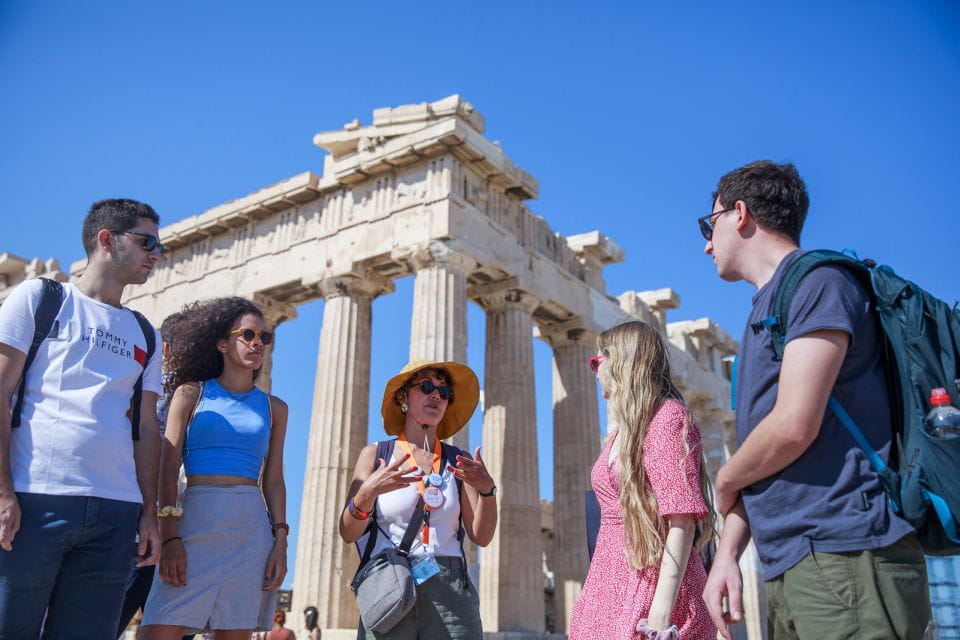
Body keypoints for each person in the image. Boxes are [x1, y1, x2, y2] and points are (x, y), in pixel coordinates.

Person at [700, 160, 931, 639]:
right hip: (792, 559)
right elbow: (762, 458)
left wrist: (723, 479)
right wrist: (726, 555)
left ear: (739, 214)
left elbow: (792, 426)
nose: (706, 243)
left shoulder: (818, 283)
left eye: (710, 223)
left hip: (847, 550)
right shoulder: (764, 311)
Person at [0, 198, 164, 638]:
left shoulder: (147, 333)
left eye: (159, 244)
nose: (156, 253)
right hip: (36, 498)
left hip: (115, 509)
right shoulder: (41, 298)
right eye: (146, 241)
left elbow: (147, 430)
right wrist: (2, 492)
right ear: (106, 240)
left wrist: (150, 514)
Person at [140, 297, 289, 639]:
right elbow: (168, 468)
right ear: (222, 344)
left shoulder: (276, 408)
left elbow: (275, 479)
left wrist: (280, 540)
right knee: (159, 628)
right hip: (195, 517)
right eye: (248, 334)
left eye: (264, 338)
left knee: (234, 630)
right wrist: (170, 535)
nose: (257, 343)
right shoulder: (190, 393)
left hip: (251, 527)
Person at [568, 321, 717, 640]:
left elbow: (683, 519)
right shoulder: (620, 433)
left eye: (598, 362)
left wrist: (660, 617)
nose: (594, 373)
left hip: (653, 587)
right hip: (607, 584)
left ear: (622, 362)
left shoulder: (668, 418)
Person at [339, 360, 497, 639]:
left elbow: (481, 537)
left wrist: (487, 491)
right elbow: (348, 531)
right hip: (392, 582)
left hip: (450, 588)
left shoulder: (458, 460)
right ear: (403, 397)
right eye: (426, 387)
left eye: (444, 392)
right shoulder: (376, 454)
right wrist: (367, 494)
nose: (436, 396)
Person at [117, 310, 192, 639]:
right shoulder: (147, 391)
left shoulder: (195, 394)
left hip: (170, 526)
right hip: (144, 524)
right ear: (166, 349)